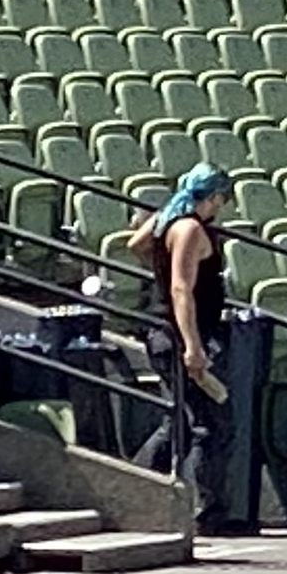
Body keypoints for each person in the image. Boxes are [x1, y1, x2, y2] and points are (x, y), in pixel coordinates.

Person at [113, 163, 236, 522]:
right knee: (210, 425)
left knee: (179, 422)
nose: (221, 206)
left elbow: (136, 244)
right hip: (184, 334)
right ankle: (206, 509)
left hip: (165, 333)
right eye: (221, 198)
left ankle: (135, 488)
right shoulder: (190, 229)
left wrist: (159, 261)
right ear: (212, 196)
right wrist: (193, 347)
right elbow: (182, 289)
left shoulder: (168, 219)